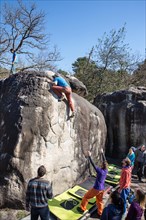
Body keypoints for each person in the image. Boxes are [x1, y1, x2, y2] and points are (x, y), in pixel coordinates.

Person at [78, 151, 108, 218]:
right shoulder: (106, 170)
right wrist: (102, 153)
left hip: (97, 188)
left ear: (102, 165)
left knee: (86, 197)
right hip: (102, 188)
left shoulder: (100, 171)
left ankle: (82, 209)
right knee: (100, 201)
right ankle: (100, 213)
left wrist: (89, 156)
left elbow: (93, 165)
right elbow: (105, 161)